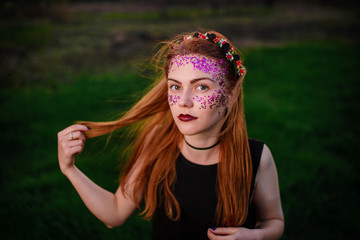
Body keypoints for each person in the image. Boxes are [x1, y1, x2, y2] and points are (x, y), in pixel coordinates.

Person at [57, 31, 284, 240]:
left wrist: (254, 236)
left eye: (201, 87)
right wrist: (70, 169)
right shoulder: (157, 141)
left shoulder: (256, 157)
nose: (184, 102)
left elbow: (274, 221)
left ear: (230, 93)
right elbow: (115, 214)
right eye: (175, 87)